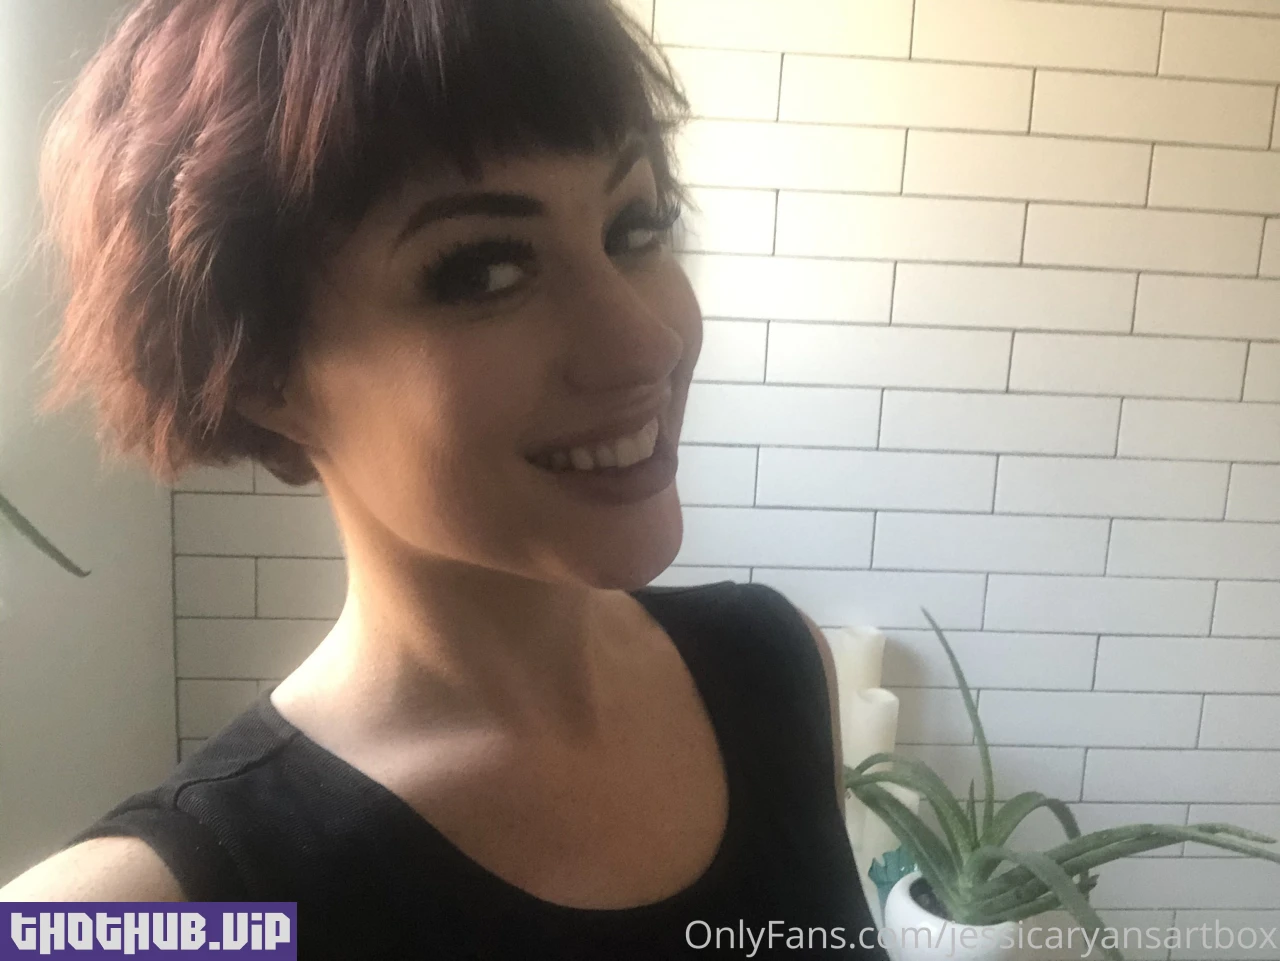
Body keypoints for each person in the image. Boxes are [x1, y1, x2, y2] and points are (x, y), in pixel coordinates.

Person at [1, 0, 888, 956]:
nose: (647, 344)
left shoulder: (776, 668)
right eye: (484, 271)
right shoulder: (171, 910)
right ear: (263, 376)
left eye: (637, 226)